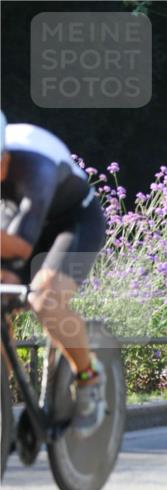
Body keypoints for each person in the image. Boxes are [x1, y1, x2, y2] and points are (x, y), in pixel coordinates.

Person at [0, 111, 108, 436]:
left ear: (4, 159)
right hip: (16, 219)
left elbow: (20, 247)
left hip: (73, 223)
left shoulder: (36, 168)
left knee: (45, 300)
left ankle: (89, 378)